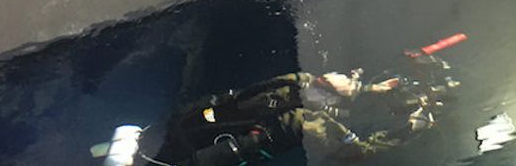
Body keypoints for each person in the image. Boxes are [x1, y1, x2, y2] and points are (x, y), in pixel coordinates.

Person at [130, 66, 454, 166]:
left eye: (351, 78)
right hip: (175, 137)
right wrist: (371, 90)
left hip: (181, 148)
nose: (351, 72)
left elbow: (360, 151)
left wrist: (407, 130)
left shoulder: (305, 120)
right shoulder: (299, 87)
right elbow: (326, 88)